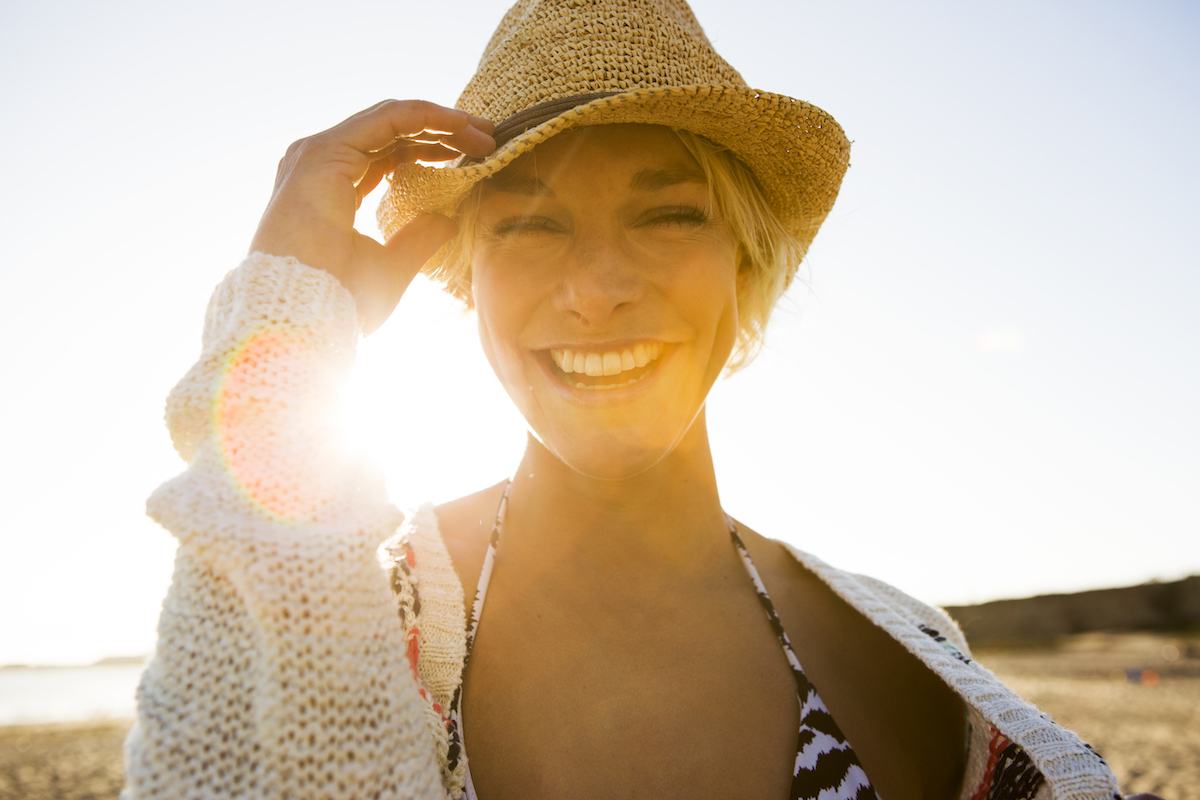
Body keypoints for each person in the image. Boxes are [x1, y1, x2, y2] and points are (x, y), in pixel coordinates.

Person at [122, 1, 1140, 798]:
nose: (598, 287)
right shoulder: (343, 605)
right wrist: (281, 335)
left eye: (665, 213)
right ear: (468, 278)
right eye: (532, 226)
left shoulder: (902, 650)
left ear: (745, 265)